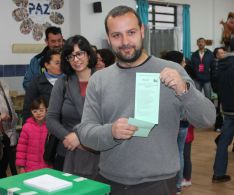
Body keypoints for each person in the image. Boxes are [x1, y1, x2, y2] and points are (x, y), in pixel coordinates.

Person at [74, 6, 216, 195]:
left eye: (131, 32)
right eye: (116, 35)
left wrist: (184, 89)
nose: (125, 42)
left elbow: (207, 119)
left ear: (142, 31)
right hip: (110, 181)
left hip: (159, 183)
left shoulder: (173, 71)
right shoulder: (99, 80)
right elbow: (85, 132)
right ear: (108, 38)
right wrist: (111, 131)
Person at [46, 35, 99, 178]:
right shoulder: (62, 83)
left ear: (88, 54)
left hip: (101, 154)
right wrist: (69, 137)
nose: (76, 59)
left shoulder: (103, 80)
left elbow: (112, 116)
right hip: (68, 153)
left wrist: (82, 138)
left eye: (79, 53)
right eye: (70, 56)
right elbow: (51, 119)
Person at [162, 50, 189, 194]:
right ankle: (177, 185)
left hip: (174, 124)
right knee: (179, 152)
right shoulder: (182, 78)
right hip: (180, 124)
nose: (185, 63)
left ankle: (175, 184)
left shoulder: (162, 77)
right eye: (183, 61)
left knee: (175, 153)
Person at [212, 38, 234, 183]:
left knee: (223, 141)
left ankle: (218, 173)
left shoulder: (220, 64)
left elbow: (215, 86)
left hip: (227, 108)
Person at [22, 50, 63, 124]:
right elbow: (27, 109)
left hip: (66, 127)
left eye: (62, 63)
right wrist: (28, 129)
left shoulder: (68, 81)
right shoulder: (36, 83)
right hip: (43, 127)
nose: (61, 65)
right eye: (57, 63)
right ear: (47, 65)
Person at [16, 97, 51, 173]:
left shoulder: (51, 126)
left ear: (47, 110)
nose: (38, 113)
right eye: (35, 111)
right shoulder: (26, 127)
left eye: (41, 110)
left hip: (48, 168)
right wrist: (21, 167)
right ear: (31, 112)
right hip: (30, 168)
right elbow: (21, 149)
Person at [0, 80, 18, 178]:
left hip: (6, 133)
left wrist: (13, 117)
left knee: (4, 168)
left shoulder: (3, 84)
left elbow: (9, 106)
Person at [210, 47, 226, 132]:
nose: (222, 54)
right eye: (220, 53)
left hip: (225, 89)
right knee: (217, 108)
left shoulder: (227, 63)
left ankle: (224, 125)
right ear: (216, 55)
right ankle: (218, 125)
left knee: (223, 108)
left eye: (223, 53)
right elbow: (214, 77)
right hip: (216, 90)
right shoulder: (214, 63)